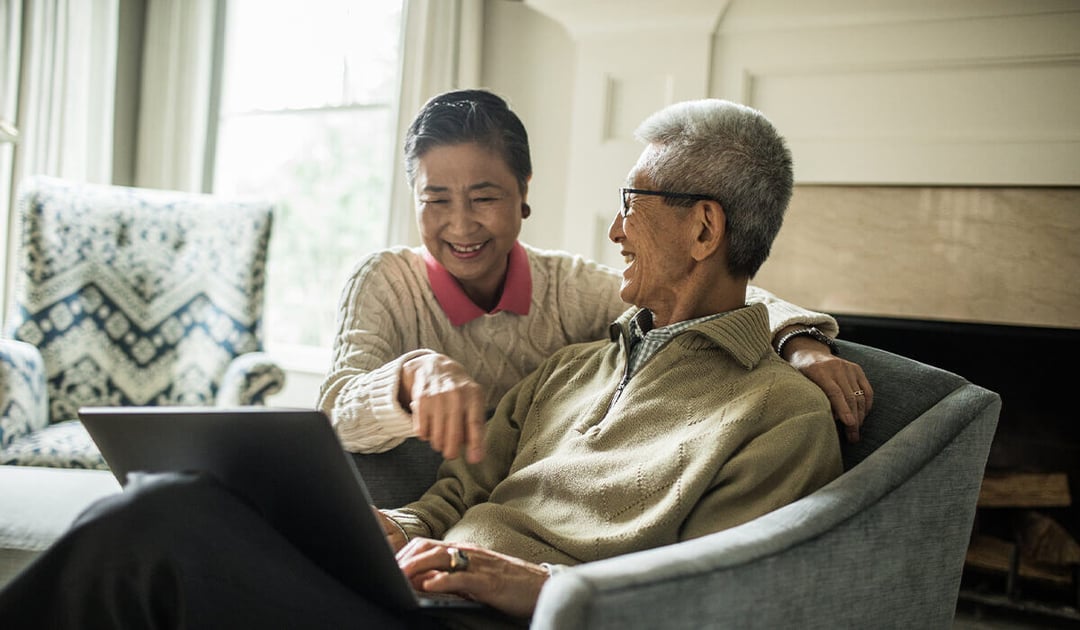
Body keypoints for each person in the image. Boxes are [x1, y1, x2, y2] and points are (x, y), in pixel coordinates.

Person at [0, 97, 844, 628]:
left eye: (633, 205)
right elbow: (460, 490)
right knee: (170, 502)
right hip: (415, 581)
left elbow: (724, 595)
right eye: (436, 197)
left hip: (496, 615)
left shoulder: (778, 415)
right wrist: (392, 527)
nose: (616, 228)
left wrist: (537, 583)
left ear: (703, 229)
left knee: (157, 540)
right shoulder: (577, 364)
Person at [319, 89, 872, 470]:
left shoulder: (566, 288)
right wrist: (411, 374)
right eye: (434, 200)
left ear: (524, 191)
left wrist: (800, 342)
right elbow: (333, 415)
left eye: (484, 198)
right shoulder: (386, 280)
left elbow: (701, 288)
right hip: (430, 503)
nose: (460, 225)